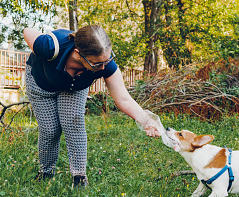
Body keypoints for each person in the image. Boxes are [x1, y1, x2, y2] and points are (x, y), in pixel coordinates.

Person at [23, 25, 160, 188]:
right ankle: (46, 173)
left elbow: (123, 98)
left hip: (75, 86)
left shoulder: (104, 63)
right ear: (79, 54)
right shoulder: (49, 47)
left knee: (74, 122)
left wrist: (146, 121)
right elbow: (27, 31)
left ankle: (79, 178)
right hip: (42, 82)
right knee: (50, 129)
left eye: (107, 60)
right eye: (97, 64)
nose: (103, 68)